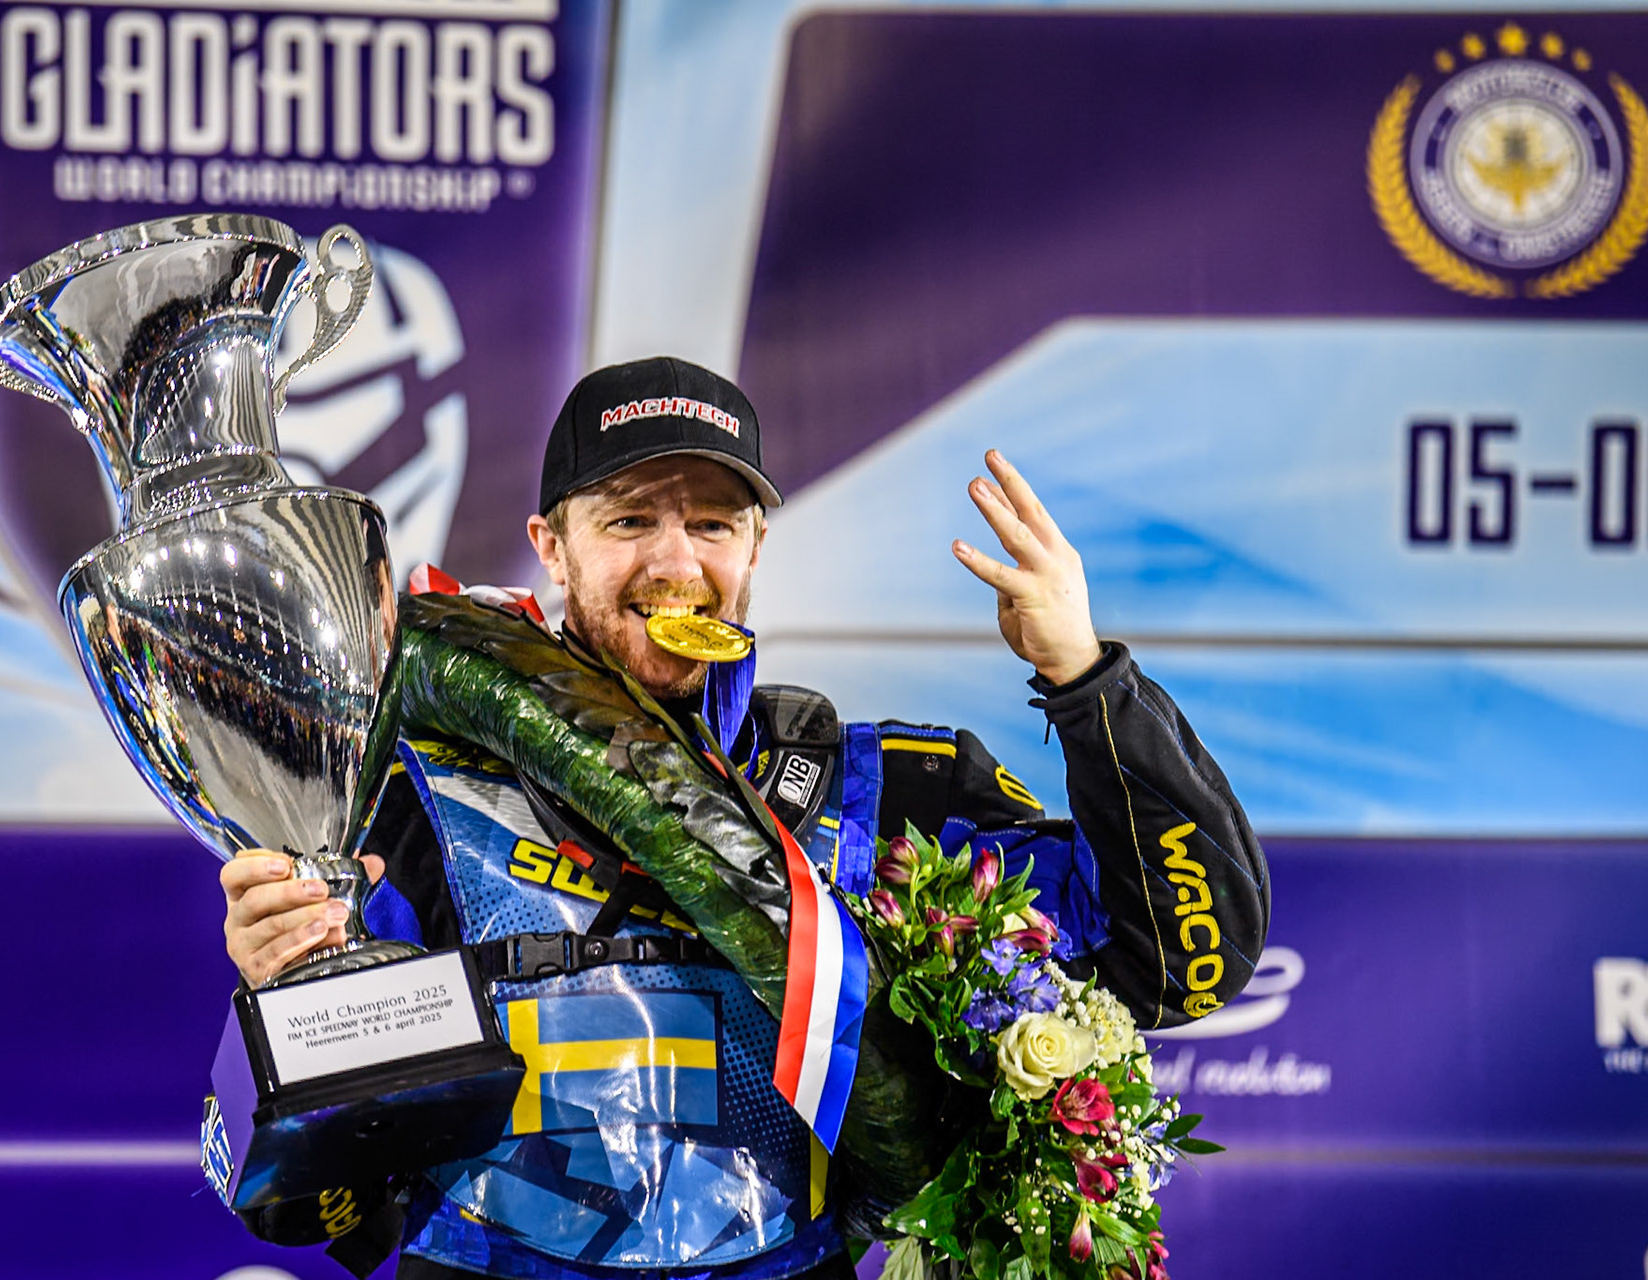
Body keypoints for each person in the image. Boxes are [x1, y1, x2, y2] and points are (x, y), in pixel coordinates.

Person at [214, 357, 1267, 1280]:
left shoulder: (880, 787)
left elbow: (1179, 956)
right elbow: (307, 1209)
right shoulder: (411, 790)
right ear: (553, 545)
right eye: (628, 518)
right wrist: (280, 986)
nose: (676, 562)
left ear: (756, 544)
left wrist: (1084, 677)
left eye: (712, 521)